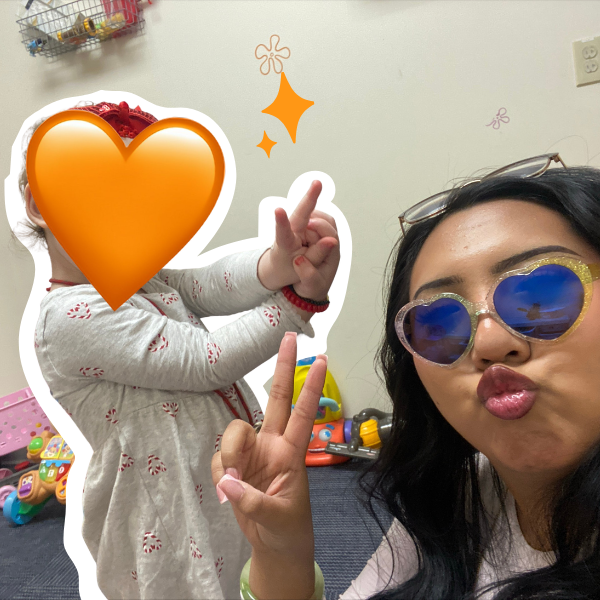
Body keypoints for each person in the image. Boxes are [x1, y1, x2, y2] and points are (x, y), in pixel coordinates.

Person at [213, 154, 600, 600]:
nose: (489, 342)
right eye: (440, 323)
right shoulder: (455, 498)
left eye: (541, 297)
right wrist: (282, 553)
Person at [16, 101, 341, 600]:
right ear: (41, 206)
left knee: (253, 568)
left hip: (216, 477)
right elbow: (205, 360)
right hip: (161, 512)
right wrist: (296, 304)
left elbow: (208, 283)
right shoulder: (67, 317)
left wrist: (279, 264)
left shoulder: (143, 281)